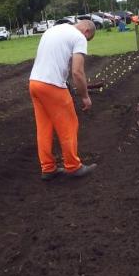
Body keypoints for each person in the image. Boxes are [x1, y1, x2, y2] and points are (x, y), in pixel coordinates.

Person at [29, 19, 97, 180]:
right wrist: (85, 97)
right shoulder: (79, 37)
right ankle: (73, 166)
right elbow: (77, 72)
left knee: (44, 127)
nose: (85, 41)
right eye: (88, 39)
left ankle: (48, 168)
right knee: (69, 124)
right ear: (87, 31)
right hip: (52, 85)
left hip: (34, 83)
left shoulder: (54, 29)